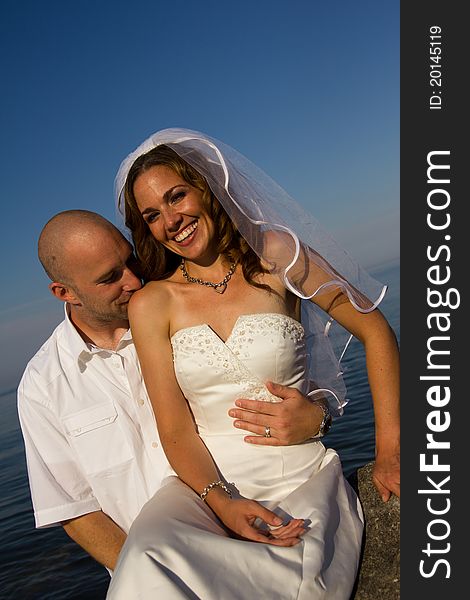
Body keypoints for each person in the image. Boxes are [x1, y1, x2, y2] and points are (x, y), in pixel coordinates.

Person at [106, 128, 400, 599]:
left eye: (176, 196)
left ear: (206, 185)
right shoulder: (151, 304)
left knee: (293, 575)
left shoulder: (276, 254)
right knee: (146, 558)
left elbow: (375, 330)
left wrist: (389, 449)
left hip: (297, 474)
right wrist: (223, 504)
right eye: (152, 215)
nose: (171, 220)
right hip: (204, 488)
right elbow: (176, 428)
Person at [17, 209, 328, 573]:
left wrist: (319, 419)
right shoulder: (41, 388)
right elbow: (76, 511)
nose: (133, 280)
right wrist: (146, 577)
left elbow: (281, 383)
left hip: (259, 513)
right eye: (110, 278)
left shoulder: (181, 315)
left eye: (129, 258)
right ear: (64, 292)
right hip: (167, 567)